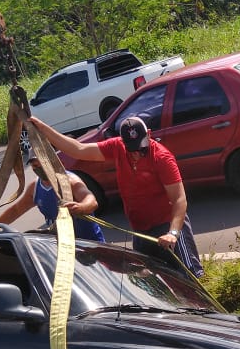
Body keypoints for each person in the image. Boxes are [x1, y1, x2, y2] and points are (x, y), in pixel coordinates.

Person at [26, 114, 205, 277]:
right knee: (153, 282)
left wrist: (173, 232)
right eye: (131, 149)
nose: (136, 154)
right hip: (141, 231)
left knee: (189, 279)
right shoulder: (117, 147)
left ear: (149, 135)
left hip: (167, 228)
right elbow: (78, 150)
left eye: (141, 149)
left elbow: (179, 199)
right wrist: (41, 127)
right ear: (123, 142)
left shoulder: (162, 158)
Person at [0, 150, 105, 242]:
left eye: (43, 164)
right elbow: (16, 210)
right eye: (35, 166)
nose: (39, 169)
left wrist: (81, 207)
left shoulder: (69, 181)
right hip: (63, 247)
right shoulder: (35, 187)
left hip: (90, 243)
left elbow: (91, 201)